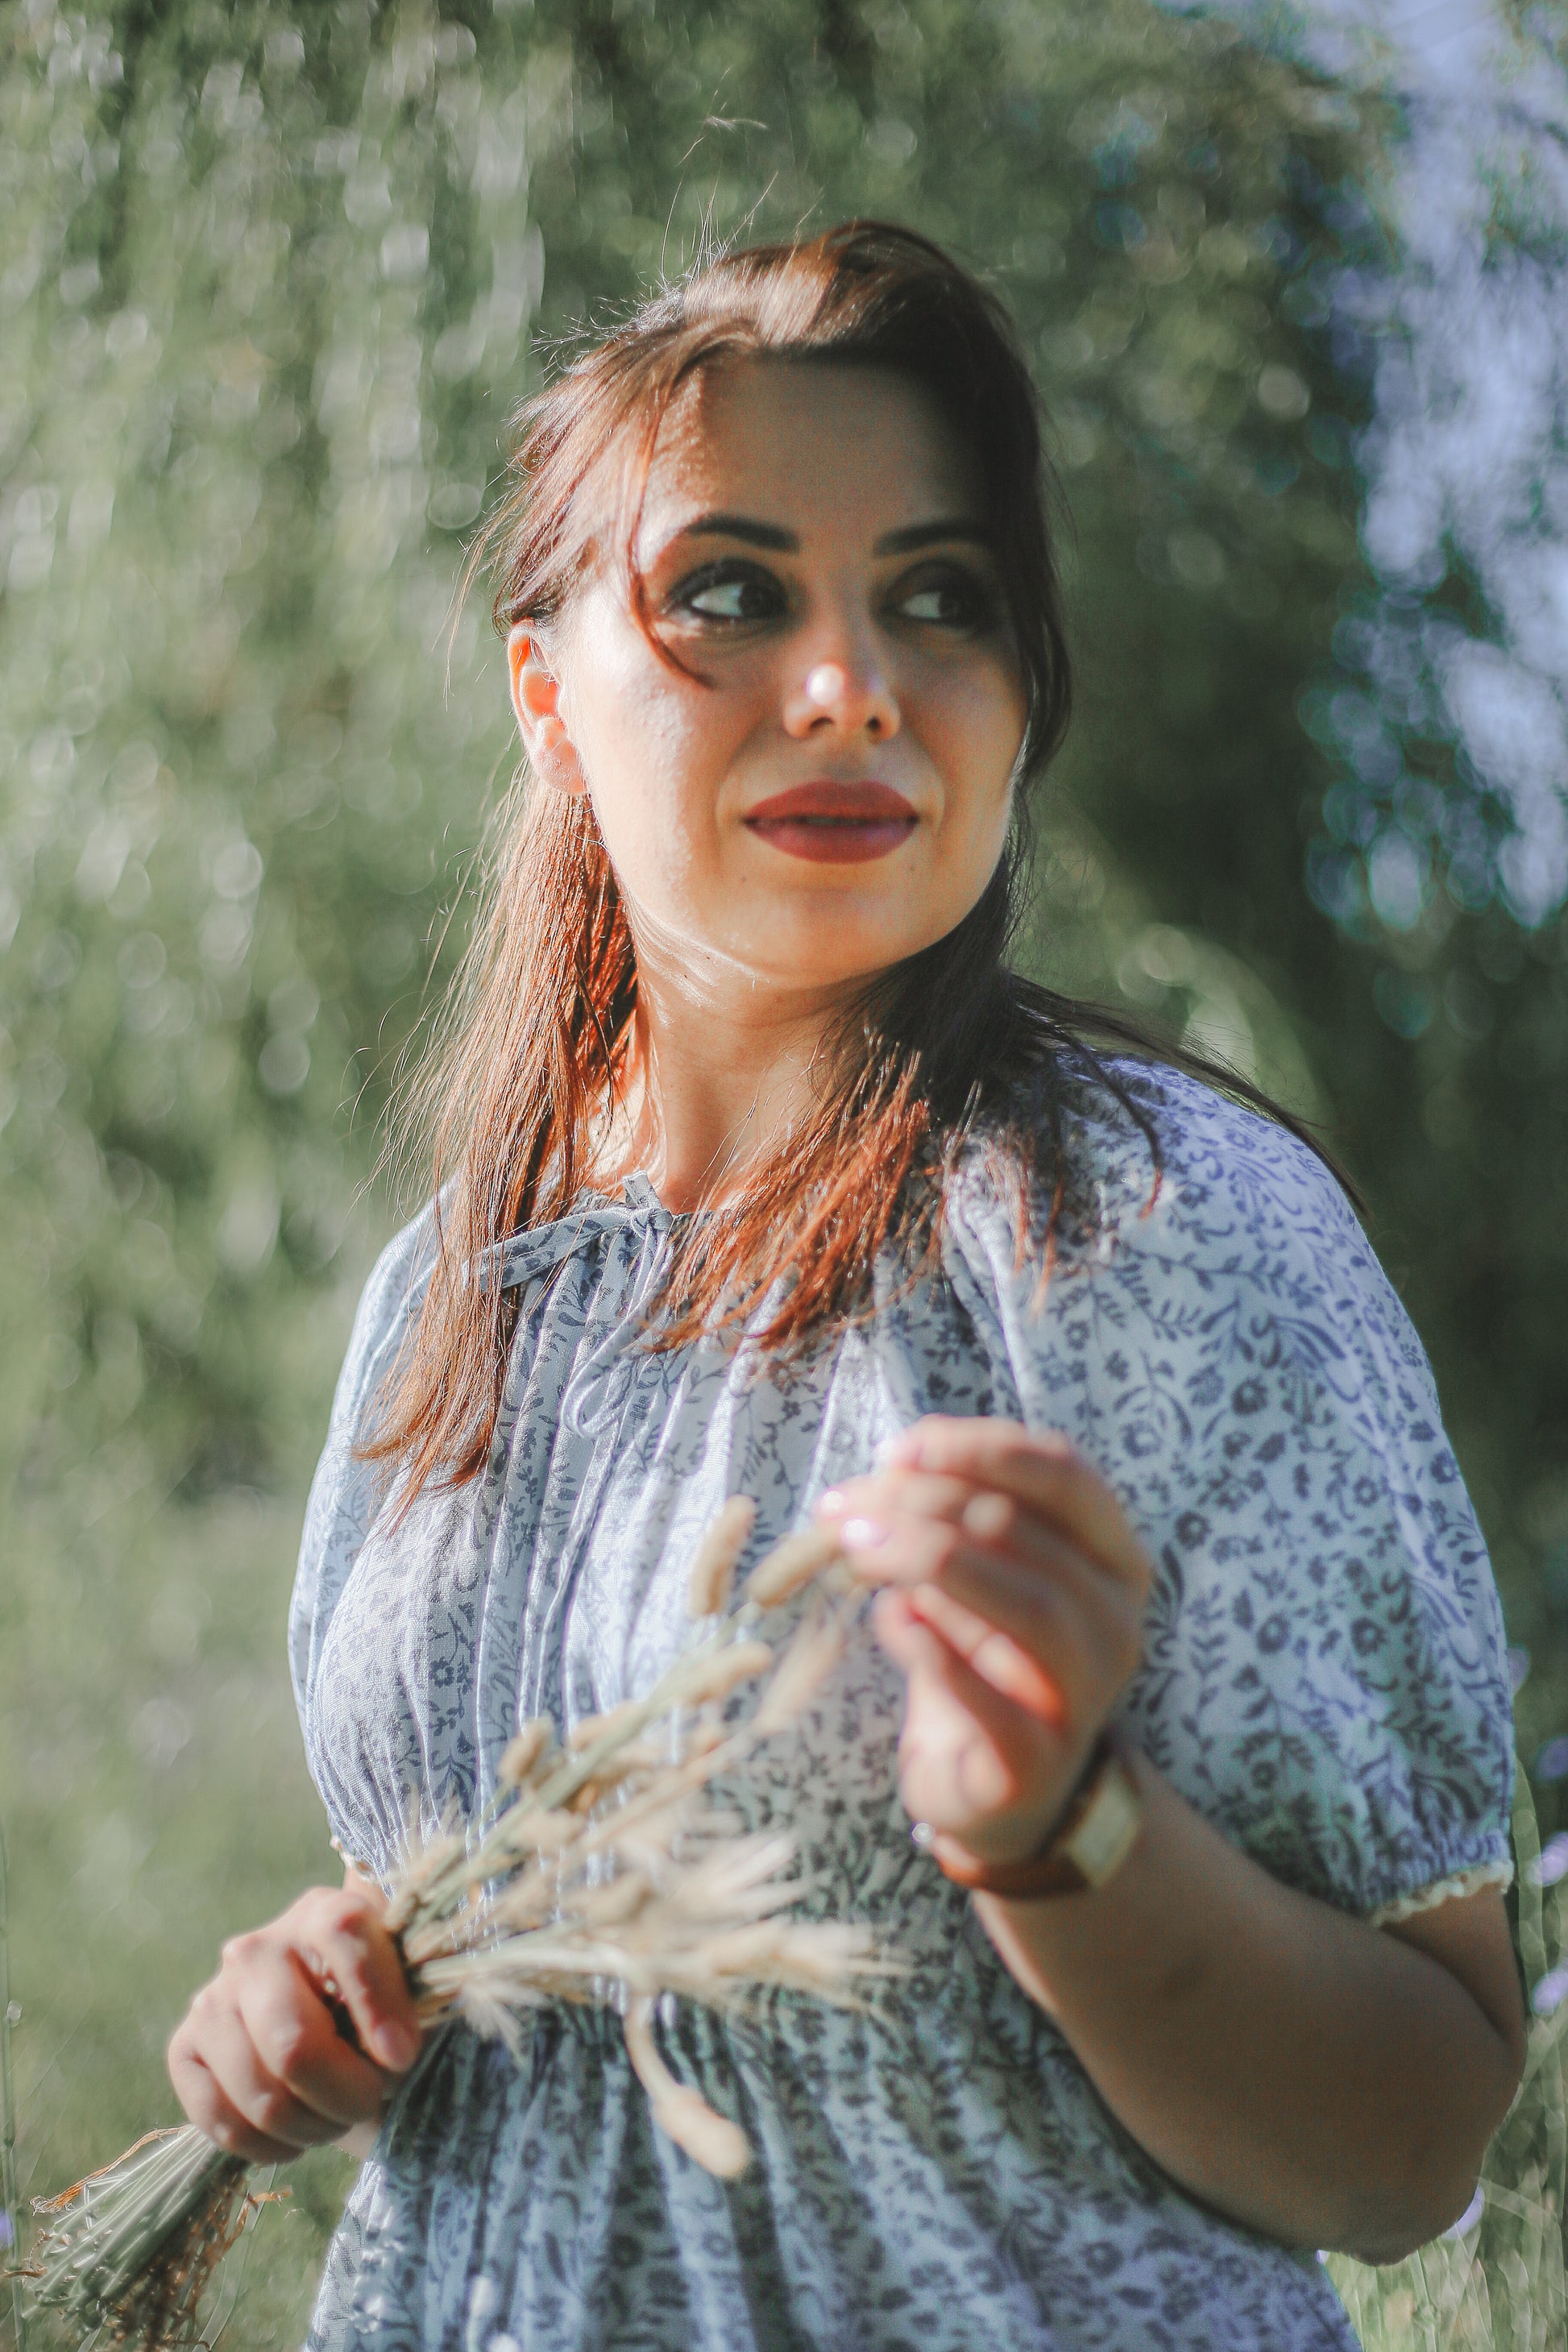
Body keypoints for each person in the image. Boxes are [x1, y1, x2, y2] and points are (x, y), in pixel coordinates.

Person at [167, 223, 1525, 2352]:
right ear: (544, 694)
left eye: (939, 597)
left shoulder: (1145, 1229)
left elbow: (1410, 2140)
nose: (849, 686)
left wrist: (1063, 1831)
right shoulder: (449, 1298)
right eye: (730, 591)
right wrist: (324, 2009)